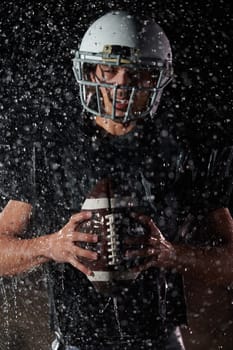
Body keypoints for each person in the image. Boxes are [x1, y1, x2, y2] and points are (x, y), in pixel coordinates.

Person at [1, 10, 233, 350]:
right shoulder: (48, 148)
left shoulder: (186, 150)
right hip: (74, 340)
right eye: (109, 69)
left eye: (136, 73)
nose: (121, 84)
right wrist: (52, 246)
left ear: (157, 79)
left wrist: (171, 254)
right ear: (90, 70)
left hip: (160, 339)